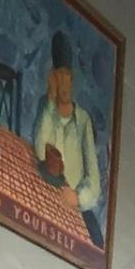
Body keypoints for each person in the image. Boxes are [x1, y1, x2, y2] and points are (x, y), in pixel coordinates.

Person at [31, 29, 105, 247]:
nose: (62, 82)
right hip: (48, 194)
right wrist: (51, 100)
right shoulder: (46, 108)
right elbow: (39, 149)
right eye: (57, 75)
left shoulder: (82, 120)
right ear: (52, 77)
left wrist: (77, 197)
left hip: (73, 202)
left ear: (72, 79)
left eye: (66, 76)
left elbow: (94, 182)